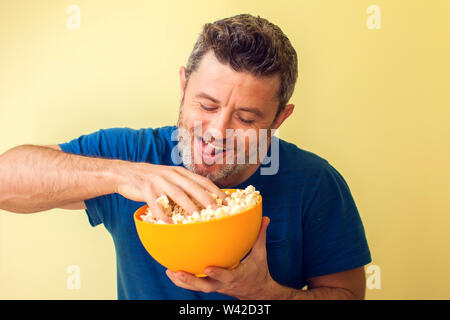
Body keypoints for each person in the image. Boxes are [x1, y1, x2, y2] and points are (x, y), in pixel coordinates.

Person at [0, 14, 371, 300]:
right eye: (206, 105)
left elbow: (348, 294)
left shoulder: (314, 181)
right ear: (183, 87)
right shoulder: (135, 156)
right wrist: (124, 176)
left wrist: (264, 293)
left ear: (279, 119)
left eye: (246, 118)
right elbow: (6, 180)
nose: (217, 130)